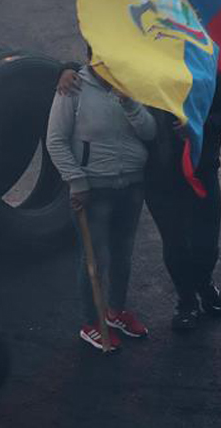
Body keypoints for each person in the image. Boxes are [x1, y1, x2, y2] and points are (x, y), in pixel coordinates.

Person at [56, 67, 221, 331]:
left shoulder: (207, 62)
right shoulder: (140, 57)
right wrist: (64, 70)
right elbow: (100, 67)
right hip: (159, 174)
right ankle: (187, 302)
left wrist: (200, 125)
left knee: (206, 244)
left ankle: (204, 284)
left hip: (201, 169)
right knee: (175, 242)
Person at [46, 47, 158, 351]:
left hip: (132, 186)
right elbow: (55, 139)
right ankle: (91, 323)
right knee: (95, 258)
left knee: (123, 254)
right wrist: (76, 180)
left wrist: (129, 103)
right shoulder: (72, 87)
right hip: (93, 188)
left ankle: (116, 312)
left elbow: (149, 132)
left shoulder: (129, 84)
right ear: (91, 57)